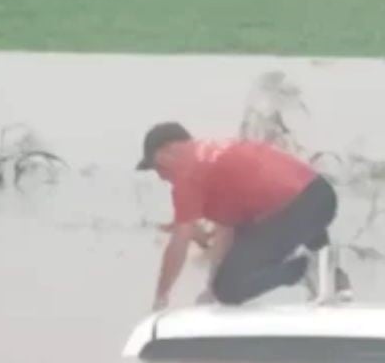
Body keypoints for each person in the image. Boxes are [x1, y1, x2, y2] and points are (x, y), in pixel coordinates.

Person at [136, 121, 351, 312]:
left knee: (228, 289)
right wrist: (210, 290)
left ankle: (303, 270)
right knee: (251, 229)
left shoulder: (187, 171)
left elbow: (179, 242)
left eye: (157, 168)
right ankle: (332, 276)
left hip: (295, 210)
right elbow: (228, 231)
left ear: (166, 152)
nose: (162, 177)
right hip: (321, 196)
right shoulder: (217, 151)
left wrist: (160, 299)